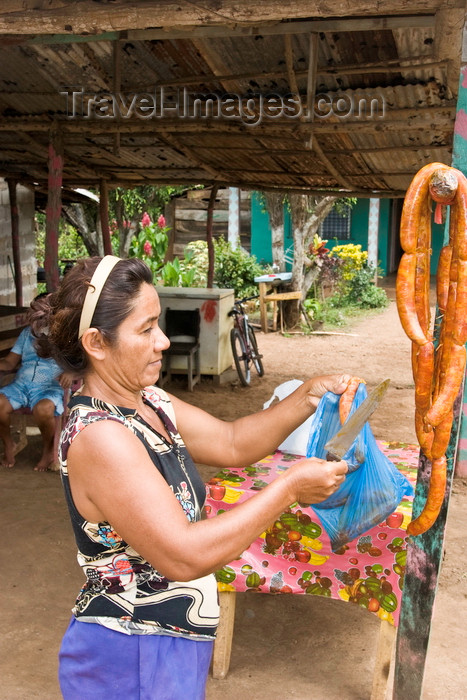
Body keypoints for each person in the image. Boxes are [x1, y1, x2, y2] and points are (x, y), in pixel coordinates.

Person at [36, 255, 349, 700]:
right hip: (131, 649)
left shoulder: (149, 401)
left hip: (169, 639)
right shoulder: (100, 436)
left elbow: (232, 442)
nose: (162, 341)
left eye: (157, 323)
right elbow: (182, 556)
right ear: (96, 343)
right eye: (145, 330)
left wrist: (308, 396)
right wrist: (289, 489)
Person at [0, 295, 71, 471]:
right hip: (21, 385)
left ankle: (48, 450)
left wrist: (70, 372)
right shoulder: (26, 334)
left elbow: (80, 362)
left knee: (43, 409)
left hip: (49, 386)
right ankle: (9, 444)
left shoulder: (64, 336)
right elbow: (9, 362)